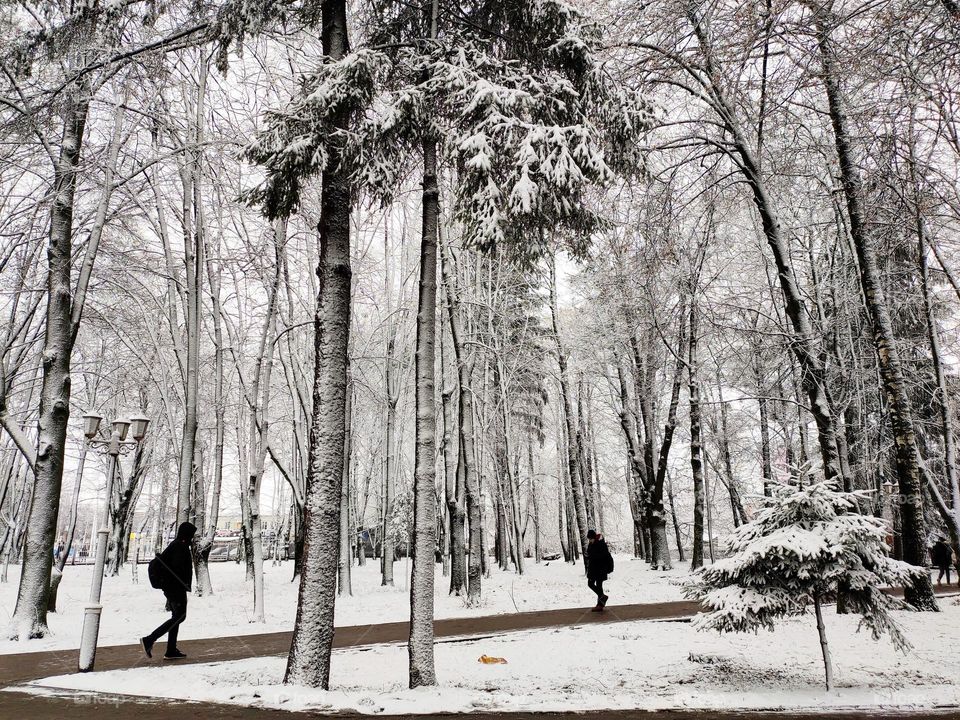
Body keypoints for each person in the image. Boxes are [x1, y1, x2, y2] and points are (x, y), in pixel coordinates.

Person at [141, 521, 196, 660]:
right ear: (187, 534)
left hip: (173, 587)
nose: (193, 537)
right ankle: (149, 639)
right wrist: (182, 583)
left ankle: (171, 650)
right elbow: (177, 567)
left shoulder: (177, 544)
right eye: (192, 534)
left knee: (176, 617)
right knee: (180, 616)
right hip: (175, 587)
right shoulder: (180, 546)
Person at [586, 529, 612, 611]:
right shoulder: (591, 544)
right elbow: (590, 552)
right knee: (590, 583)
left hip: (600, 568)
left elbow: (603, 556)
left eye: (590, 539)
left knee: (599, 585)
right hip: (594, 568)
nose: (590, 541)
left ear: (594, 537)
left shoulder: (601, 544)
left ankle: (600, 605)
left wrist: (593, 556)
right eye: (589, 539)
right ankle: (602, 597)